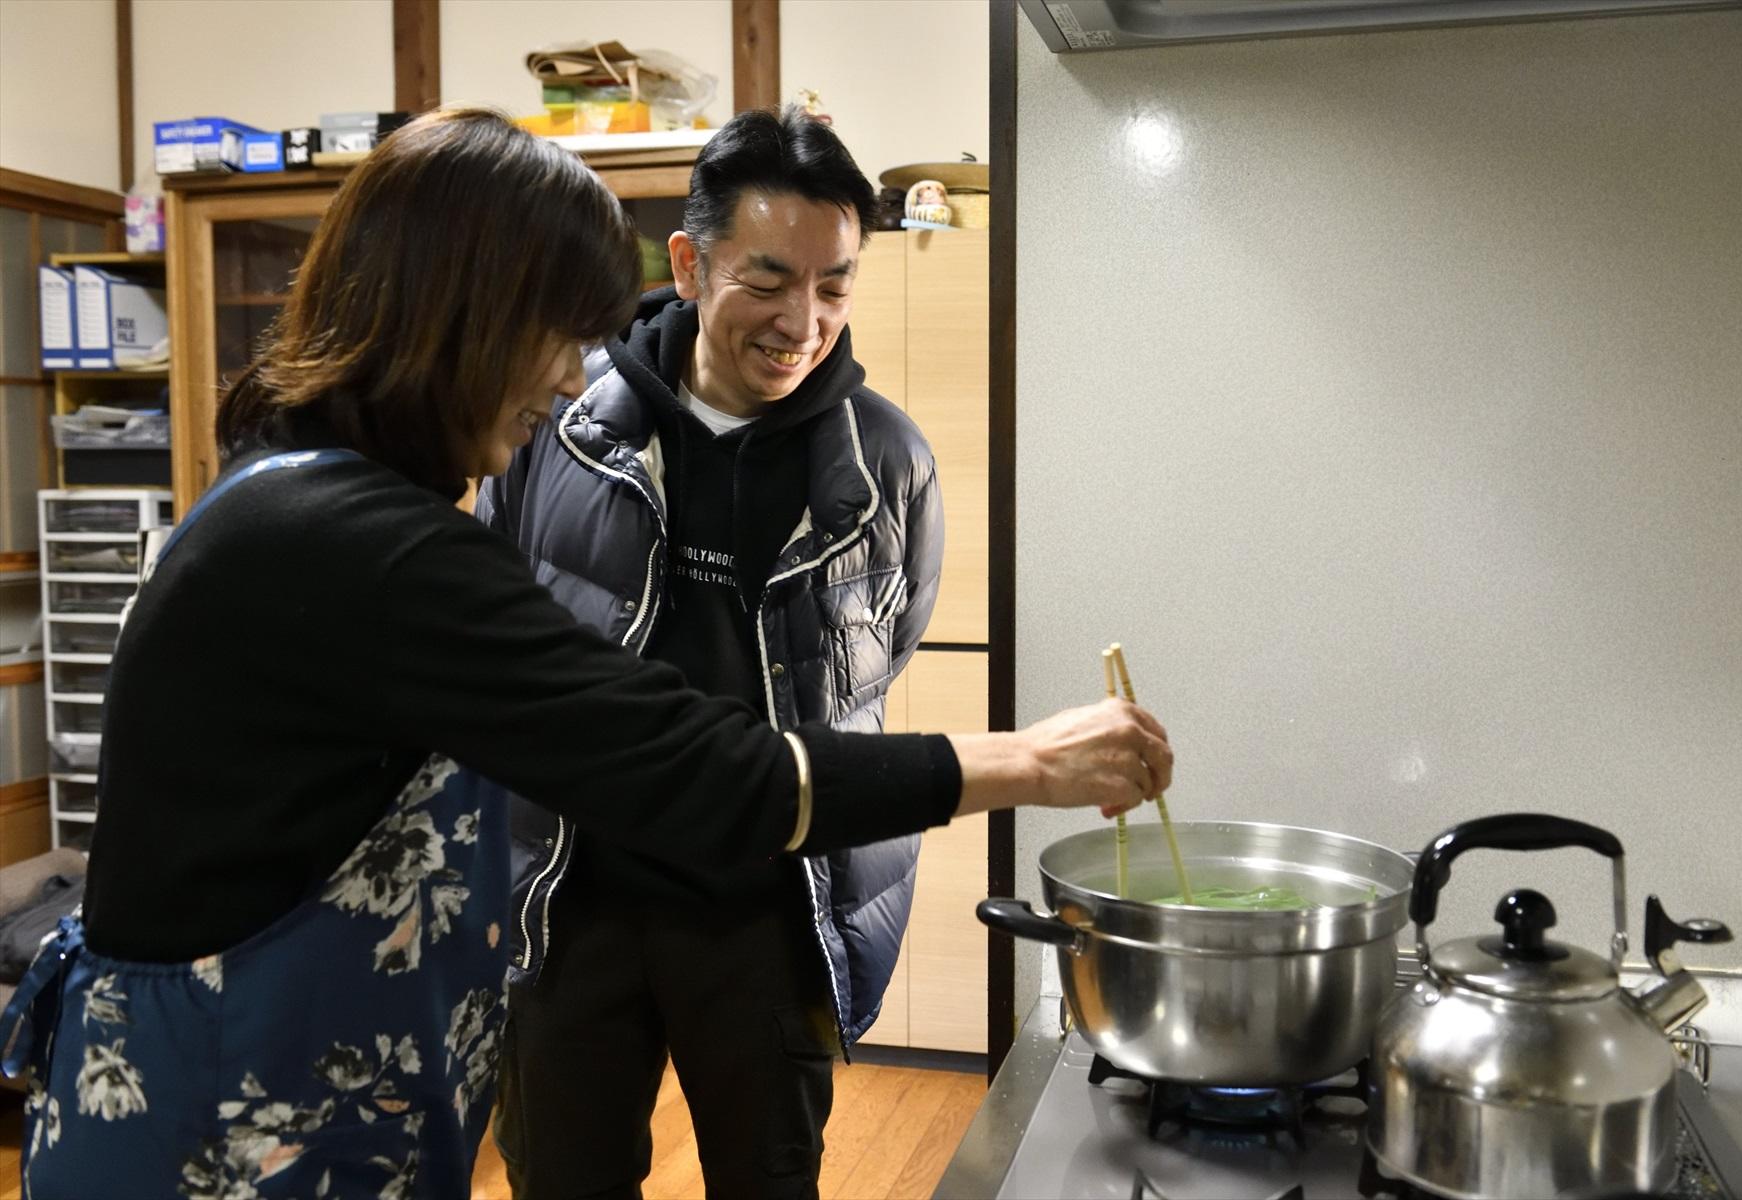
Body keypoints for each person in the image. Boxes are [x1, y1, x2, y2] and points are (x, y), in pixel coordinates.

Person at [0, 108, 1172, 1200]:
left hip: (297, 1076)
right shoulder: (371, 545)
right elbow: (683, 761)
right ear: (459, 317)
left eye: (832, 286)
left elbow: (871, 647)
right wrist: (1026, 761)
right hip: (229, 1111)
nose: (572, 374)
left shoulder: (298, 489)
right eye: (558, 333)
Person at [478, 106, 936, 1198]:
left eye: (834, 288)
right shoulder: (565, 425)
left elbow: (890, 648)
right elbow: (497, 632)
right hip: (572, 892)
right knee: (563, 1180)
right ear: (688, 265)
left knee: (770, 1181)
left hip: (772, 908)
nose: (802, 322)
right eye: (768, 281)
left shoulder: (887, 462)